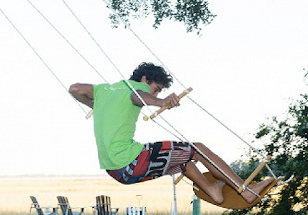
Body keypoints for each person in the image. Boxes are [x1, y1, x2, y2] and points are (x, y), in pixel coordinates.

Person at [69, 62, 274, 205]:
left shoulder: (105, 90)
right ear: (144, 79)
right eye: (156, 88)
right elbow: (138, 96)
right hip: (131, 162)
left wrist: (97, 104)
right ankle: (246, 191)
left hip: (117, 172)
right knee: (197, 149)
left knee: (180, 159)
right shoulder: (137, 87)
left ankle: (212, 190)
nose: (155, 93)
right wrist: (161, 101)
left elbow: (75, 88)